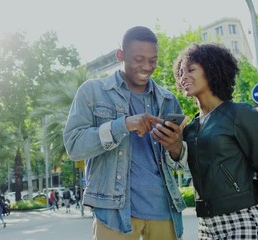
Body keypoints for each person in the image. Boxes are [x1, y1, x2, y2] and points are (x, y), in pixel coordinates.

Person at [63, 26, 187, 240]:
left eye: (153, 60)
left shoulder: (167, 100)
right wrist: (123, 125)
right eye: (139, 59)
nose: (147, 67)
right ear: (120, 55)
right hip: (114, 212)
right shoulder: (92, 91)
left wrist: (176, 148)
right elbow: (74, 146)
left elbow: (178, 162)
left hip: (164, 209)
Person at [171, 43, 258, 239]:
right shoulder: (190, 128)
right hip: (206, 224)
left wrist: (249, 204)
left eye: (190, 70)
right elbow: (181, 164)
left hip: (243, 219)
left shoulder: (240, 113)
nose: (183, 77)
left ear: (211, 70)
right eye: (180, 72)